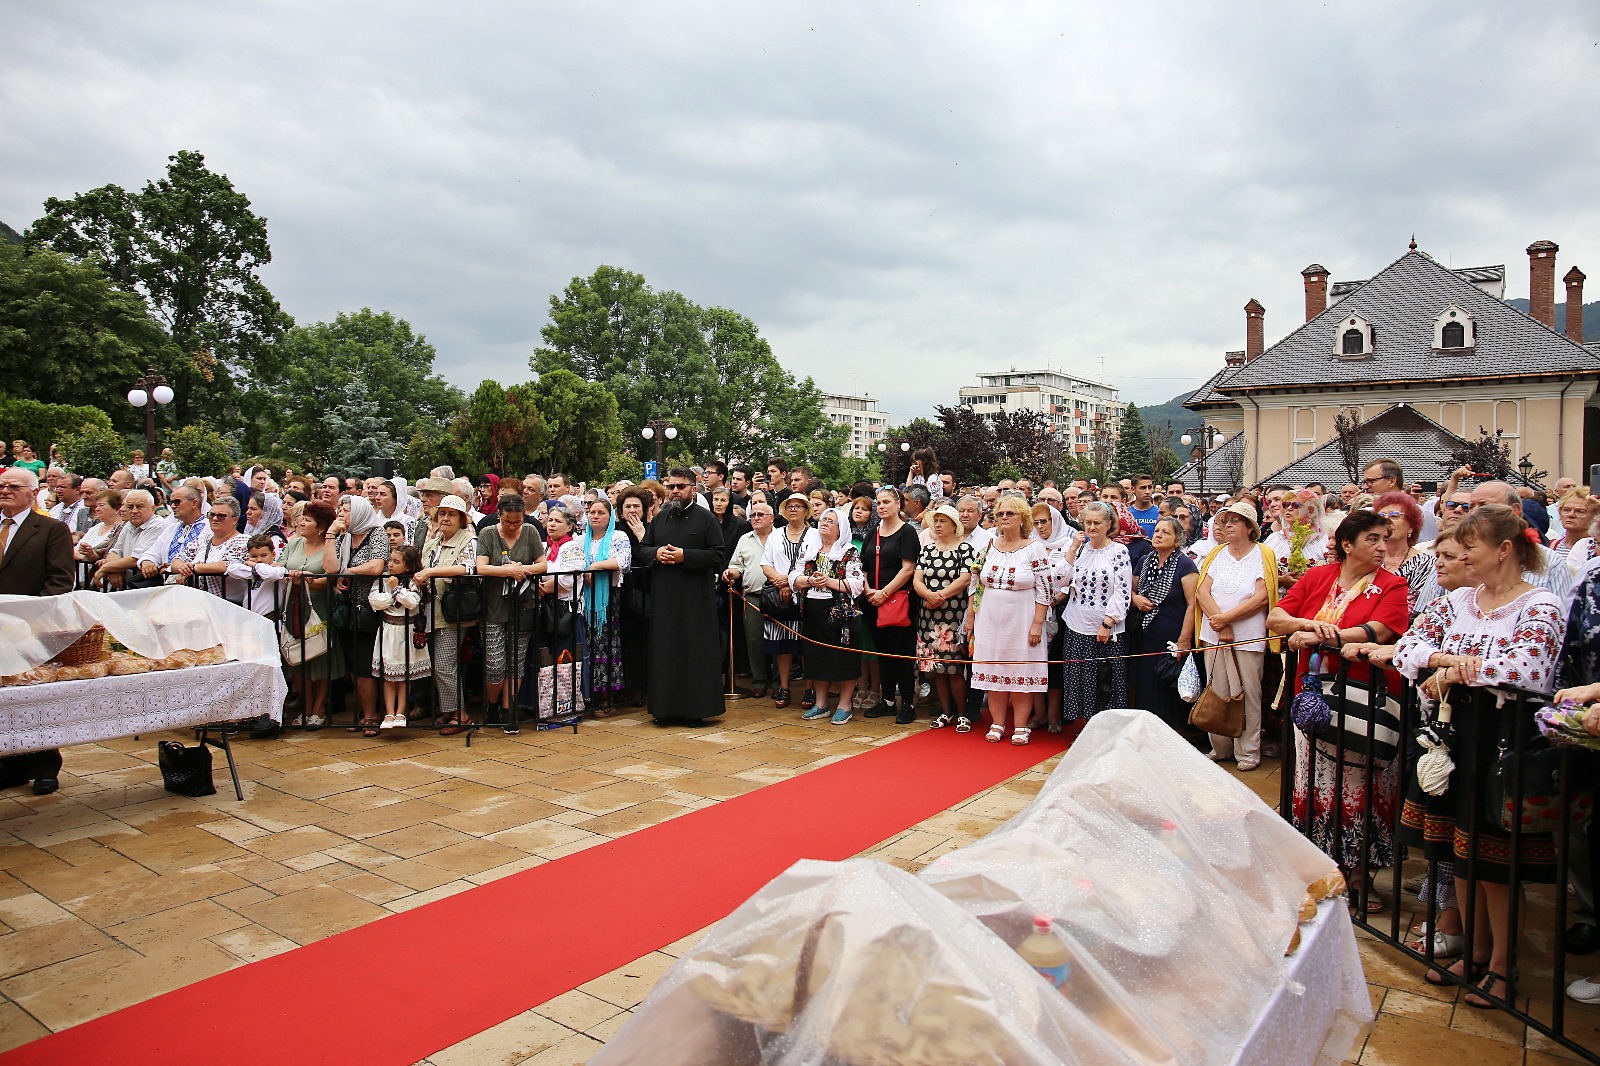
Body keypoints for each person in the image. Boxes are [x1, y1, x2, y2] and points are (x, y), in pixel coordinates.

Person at [1393, 504, 1566, 1008]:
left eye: (1471, 547)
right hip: (1457, 735)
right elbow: (1410, 649)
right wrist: (1448, 661)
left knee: (1496, 862)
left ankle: (1501, 965)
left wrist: (1450, 669)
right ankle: (1472, 951)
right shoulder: (1459, 601)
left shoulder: (1540, 606)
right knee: (1457, 854)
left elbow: (1526, 669)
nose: (1462, 556)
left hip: (1503, 739)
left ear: (1504, 550)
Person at [1270, 509, 1410, 911]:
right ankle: (1320, 868)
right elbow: (1276, 616)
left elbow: (1379, 632)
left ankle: (1359, 875)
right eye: (1373, 539)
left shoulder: (1391, 586)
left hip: (1365, 698)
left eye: (1386, 539)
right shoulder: (1318, 577)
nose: (1383, 547)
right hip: (1315, 696)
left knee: (1362, 786)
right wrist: (1306, 625)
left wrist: (1313, 634)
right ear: (1347, 544)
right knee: (1313, 782)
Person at [0, 467, 74, 795]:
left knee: (34, 698)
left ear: (33, 492)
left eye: (13, 486)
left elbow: (59, 580)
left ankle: (45, 765)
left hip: (29, 628)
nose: (5, 491)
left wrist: (28, 619)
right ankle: (11, 764)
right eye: (1, 486)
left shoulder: (50, 529)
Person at [636, 468, 726, 725]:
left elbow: (718, 554)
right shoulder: (661, 518)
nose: (676, 491)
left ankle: (694, 710)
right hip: (665, 598)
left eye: (681, 486)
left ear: (693, 489)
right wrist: (657, 554)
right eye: (672, 486)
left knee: (693, 653)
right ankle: (664, 710)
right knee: (665, 652)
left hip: (695, 599)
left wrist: (685, 556)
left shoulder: (706, 519)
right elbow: (642, 550)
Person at [1194, 500, 1278, 770]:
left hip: (1249, 634)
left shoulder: (1262, 553)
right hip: (1214, 632)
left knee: (1248, 692)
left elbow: (1262, 596)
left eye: (1234, 521)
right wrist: (1220, 623)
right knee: (1217, 689)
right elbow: (1202, 592)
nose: (1227, 526)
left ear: (1249, 527)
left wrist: (1227, 619)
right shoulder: (1217, 553)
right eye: (1224, 521)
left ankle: (1248, 751)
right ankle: (1221, 748)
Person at [965, 495, 1052, 744]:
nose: (1004, 518)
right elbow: (974, 584)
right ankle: (998, 722)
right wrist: (970, 616)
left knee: (1019, 672)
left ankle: (1021, 725)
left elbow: (1045, 589)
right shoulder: (989, 546)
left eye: (1010, 514)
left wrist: (1038, 622)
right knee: (994, 671)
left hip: (1022, 619)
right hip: (990, 620)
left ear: (1023, 518)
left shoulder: (1034, 548)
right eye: (1001, 513)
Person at [1056, 501, 1134, 724]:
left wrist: (1108, 623)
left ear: (1108, 524)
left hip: (1104, 628)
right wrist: (1072, 549)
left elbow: (1122, 591)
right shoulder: (1079, 549)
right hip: (1076, 624)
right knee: (1078, 679)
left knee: (1104, 681)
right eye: (1088, 522)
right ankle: (1083, 728)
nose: (1092, 527)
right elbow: (1060, 579)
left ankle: (1106, 729)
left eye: (1097, 523)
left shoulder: (1118, 551)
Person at [476, 493, 547, 728]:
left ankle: (509, 709)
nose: (512, 526)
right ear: (499, 516)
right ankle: (492, 705)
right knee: (495, 664)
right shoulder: (488, 534)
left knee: (516, 661)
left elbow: (542, 564)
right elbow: (482, 567)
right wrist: (508, 571)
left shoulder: (530, 532)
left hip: (522, 607)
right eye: (507, 521)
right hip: (494, 607)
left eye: (516, 521)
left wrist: (520, 568)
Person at [790, 509, 865, 724]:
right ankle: (821, 703)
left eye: (831, 521)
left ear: (840, 528)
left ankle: (845, 704)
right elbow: (793, 575)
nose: (825, 523)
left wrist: (829, 582)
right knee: (816, 655)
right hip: (812, 609)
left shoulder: (849, 551)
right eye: (823, 520)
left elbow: (857, 584)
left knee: (845, 656)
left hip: (840, 614)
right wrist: (809, 581)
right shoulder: (809, 549)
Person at [1130, 515, 1200, 739]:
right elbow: (1130, 591)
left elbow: (1192, 604)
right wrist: (1136, 599)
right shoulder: (1145, 560)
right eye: (1157, 530)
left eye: (1165, 532)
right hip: (1146, 634)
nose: (1158, 535)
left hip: (1172, 636)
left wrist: (1185, 639)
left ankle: (1174, 735)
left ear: (1177, 540)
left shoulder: (1185, 564)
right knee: (1146, 687)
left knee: (1168, 688)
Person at [558, 498, 632, 709]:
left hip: (608, 600)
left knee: (606, 644)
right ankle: (586, 694)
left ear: (610, 517)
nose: (596, 516)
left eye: (601, 513)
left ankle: (605, 696)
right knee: (586, 644)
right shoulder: (580, 540)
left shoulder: (618, 536)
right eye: (592, 513)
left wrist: (595, 566)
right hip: (584, 599)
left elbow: (623, 562)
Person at [417, 495, 478, 736]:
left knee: (445, 663)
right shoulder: (434, 541)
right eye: (442, 513)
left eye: (451, 514)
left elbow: (467, 568)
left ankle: (461, 714)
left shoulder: (468, 539)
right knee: (437, 662)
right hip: (429, 609)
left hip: (453, 611)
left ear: (462, 519)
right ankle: (449, 709)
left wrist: (431, 572)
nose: (445, 518)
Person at [281, 501, 345, 728]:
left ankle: (319, 708)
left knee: (320, 655)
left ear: (320, 526)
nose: (300, 522)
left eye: (307, 519)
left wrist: (309, 580)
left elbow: (331, 574)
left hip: (320, 606)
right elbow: (280, 567)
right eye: (301, 518)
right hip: (295, 604)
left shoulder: (333, 545)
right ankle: (306, 707)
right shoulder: (294, 543)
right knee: (299, 657)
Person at [861, 487, 922, 723]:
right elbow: (864, 566)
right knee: (883, 653)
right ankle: (887, 700)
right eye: (878, 502)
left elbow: (908, 568)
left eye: (886, 501)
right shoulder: (873, 532)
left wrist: (884, 593)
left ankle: (907, 702)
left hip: (898, 601)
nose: (881, 506)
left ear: (898, 504)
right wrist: (868, 590)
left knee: (902, 653)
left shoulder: (907, 532)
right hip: (872, 601)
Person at [914, 504, 975, 729]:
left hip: (953, 615)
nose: (938, 525)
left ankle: (963, 713)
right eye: (936, 521)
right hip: (928, 615)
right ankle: (946, 712)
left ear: (953, 525)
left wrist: (940, 595)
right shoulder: (928, 549)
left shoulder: (964, 549)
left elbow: (966, 578)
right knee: (936, 668)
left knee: (954, 668)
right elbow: (917, 578)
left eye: (943, 521)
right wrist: (929, 596)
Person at [762, 494, 819, 708]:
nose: (793, 510)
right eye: (790, 506)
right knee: (782, 644)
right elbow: (766, 564)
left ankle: (809, 688)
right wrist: (781, 583)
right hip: (780, 597)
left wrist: (792, 581)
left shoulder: (815, 535)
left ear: (806, 511)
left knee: (807, 644)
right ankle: (784, 688)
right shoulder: (776, 535)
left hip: (807, 594)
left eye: (798, 506)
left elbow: (817, 562)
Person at [370, 544, 429, 729]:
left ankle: (401, 712)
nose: (390, 565)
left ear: (408, 566)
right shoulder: (383, 579)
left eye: (396, 562)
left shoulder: (414, 581)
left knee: (404, 675)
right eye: (390, 560)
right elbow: (374, 600)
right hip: (388, 630)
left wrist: (395, 591)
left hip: (406, 631)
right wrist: (393, 598)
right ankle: (388, 712)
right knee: (388, 674)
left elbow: (412, 602)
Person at [725, 499, 776, 699]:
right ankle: (759, 681)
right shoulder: (745, 539)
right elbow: (737, 565)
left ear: (771, 518)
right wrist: (731, 572)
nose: (755, 518)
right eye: (753, 515)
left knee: (779, 640)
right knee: (754, 641)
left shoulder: (781, 537)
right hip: (752, 597)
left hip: (778, 595)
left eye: (760, 515)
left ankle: (780, 683)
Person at [171, 495, 249, 602]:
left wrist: (193, 568)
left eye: (221, 516)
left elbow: (227, 565)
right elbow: (177, 560)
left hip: (229, 605)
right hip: (198, 603)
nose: (215, 519)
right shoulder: (202, 539)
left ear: (235, 520)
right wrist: (183, 567)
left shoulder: (243, 540)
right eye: (211, 515)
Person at [1373, 490, 1436, 620]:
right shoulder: (1367, 559)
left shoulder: (1426, 565)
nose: (1386, 520)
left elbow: (1418, 611)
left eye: (1394, 515)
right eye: (1381, 516)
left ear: (1411, 527)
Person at [94, 489, 172, 589]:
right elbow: (115, 552)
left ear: (153, 508)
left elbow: (136, 559)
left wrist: (106, 567)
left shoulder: (158, 525)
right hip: (129, 586)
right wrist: (114, 569)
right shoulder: (128, 525)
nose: (134, 511)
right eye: (130, 507)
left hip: (147, 586)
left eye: (139, 506)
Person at [74, 489, 125, 567]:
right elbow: (76, 550)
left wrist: (88, 556)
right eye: (97, 505)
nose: (97, 509)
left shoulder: (122, 529)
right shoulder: (96, 527)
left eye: (101, 505)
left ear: (116, 508)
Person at [1128, 475, 1160, 539]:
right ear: (1133, 489)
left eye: (1150, 487)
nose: (1147, 492)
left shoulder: (1159, 512)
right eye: (1143, 488)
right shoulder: (1127, 513)